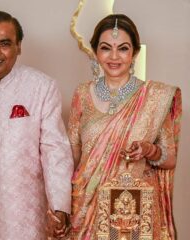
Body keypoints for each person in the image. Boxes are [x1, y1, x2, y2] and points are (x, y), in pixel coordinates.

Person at [68, 14, 182, 239]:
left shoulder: (153, 96)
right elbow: (72, 156)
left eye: (122, 48)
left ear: (134, 53)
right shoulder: (82, 93)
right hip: (89, 205)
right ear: (95, 51)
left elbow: (169, 159)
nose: (114, 56)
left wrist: (149, 150)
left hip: (137, 210)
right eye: (105, 48)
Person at [0, 11, 73, 240]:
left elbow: (55, 151)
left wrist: (59, 207)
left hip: (24, 214)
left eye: (4, 44)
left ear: (18, 46)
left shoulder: (41, 87)